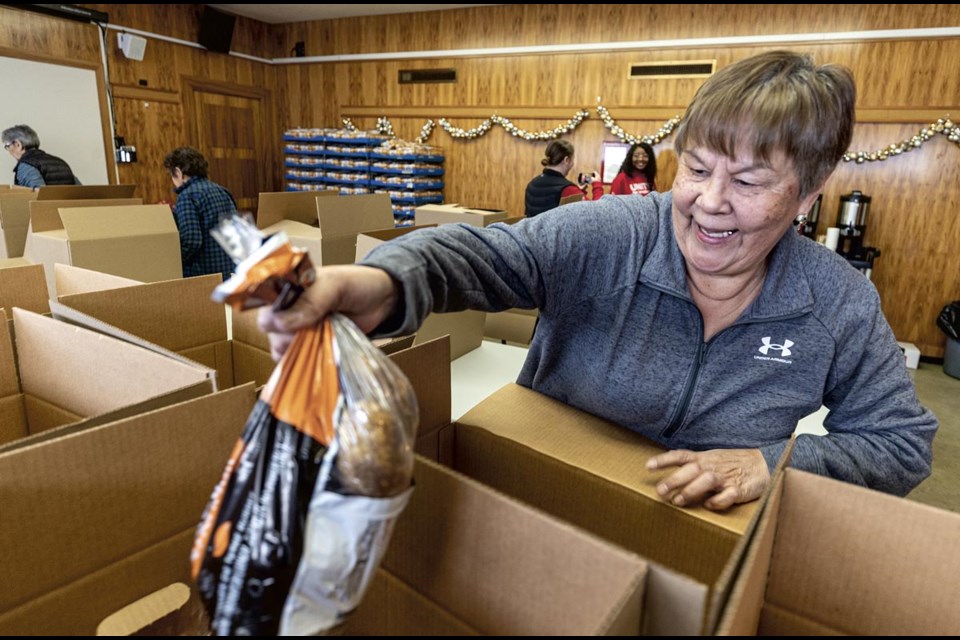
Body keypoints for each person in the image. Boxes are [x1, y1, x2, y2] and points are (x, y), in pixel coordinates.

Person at [259, 51, 937, 510]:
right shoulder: (614, 232)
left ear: (810, 190)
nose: (709, 201)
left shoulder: (838, 301)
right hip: (539, 506)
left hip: (699, 542)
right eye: (697, 169)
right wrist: (380, 282)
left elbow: (902, 444)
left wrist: (771, 464)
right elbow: (482, 257)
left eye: (750, 181)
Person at [163, 146, 237, 281]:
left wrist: (171, 262)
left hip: (203, 275)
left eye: (172, 176)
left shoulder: (187, 196)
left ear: (179, 172)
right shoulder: (223, 191)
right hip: (229, 271)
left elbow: (191, 241)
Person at [524, 140, 603, 217]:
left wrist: (578, 192)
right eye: (572, 159)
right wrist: (597, 184)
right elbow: (597, 213)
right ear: (566, 160)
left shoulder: (532, 184)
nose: (573, 163)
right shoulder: (567, 189)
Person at [2, 124, 80, 189]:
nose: (8, 150)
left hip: (46, 207)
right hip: (68, 207)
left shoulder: (26, 165)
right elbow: (80, 190)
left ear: (17, 144)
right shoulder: (60, 162)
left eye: (7, 146)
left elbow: (37, 196)